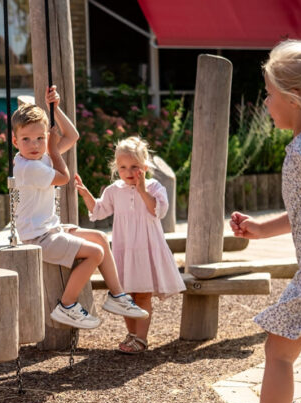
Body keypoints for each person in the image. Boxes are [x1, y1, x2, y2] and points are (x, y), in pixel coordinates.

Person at [228, 37, 301, 403]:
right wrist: (263, 230)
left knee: (278, 351)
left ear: (295, 98)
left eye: (269, 95)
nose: (265, 103)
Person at [12, 86, 149, 330]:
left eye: (40, 138)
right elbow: (63, 178)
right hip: (37, 238)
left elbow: (72, 136)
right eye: (26, 139)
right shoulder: (28, 167)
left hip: (50, 230)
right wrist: (53, 149)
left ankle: (118, 296)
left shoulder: (38, 156)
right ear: (15, 141)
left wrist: (55, 108)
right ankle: (67, 305)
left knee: (99, 237)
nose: (34, 144)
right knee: (95, 253)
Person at [74, 136, 185, 353]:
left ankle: (141, 339)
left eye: (134, 167)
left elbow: (157, 212)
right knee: (126, 295)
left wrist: (142, 189)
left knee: (142, 294)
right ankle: (132, 335)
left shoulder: (154, 187)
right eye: (123, 167)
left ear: (144, 167)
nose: (128, 171)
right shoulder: (114, 190)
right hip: (125, 250)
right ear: (116, 168)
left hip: (147, 249)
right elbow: (98, 211)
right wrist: (85, 193)